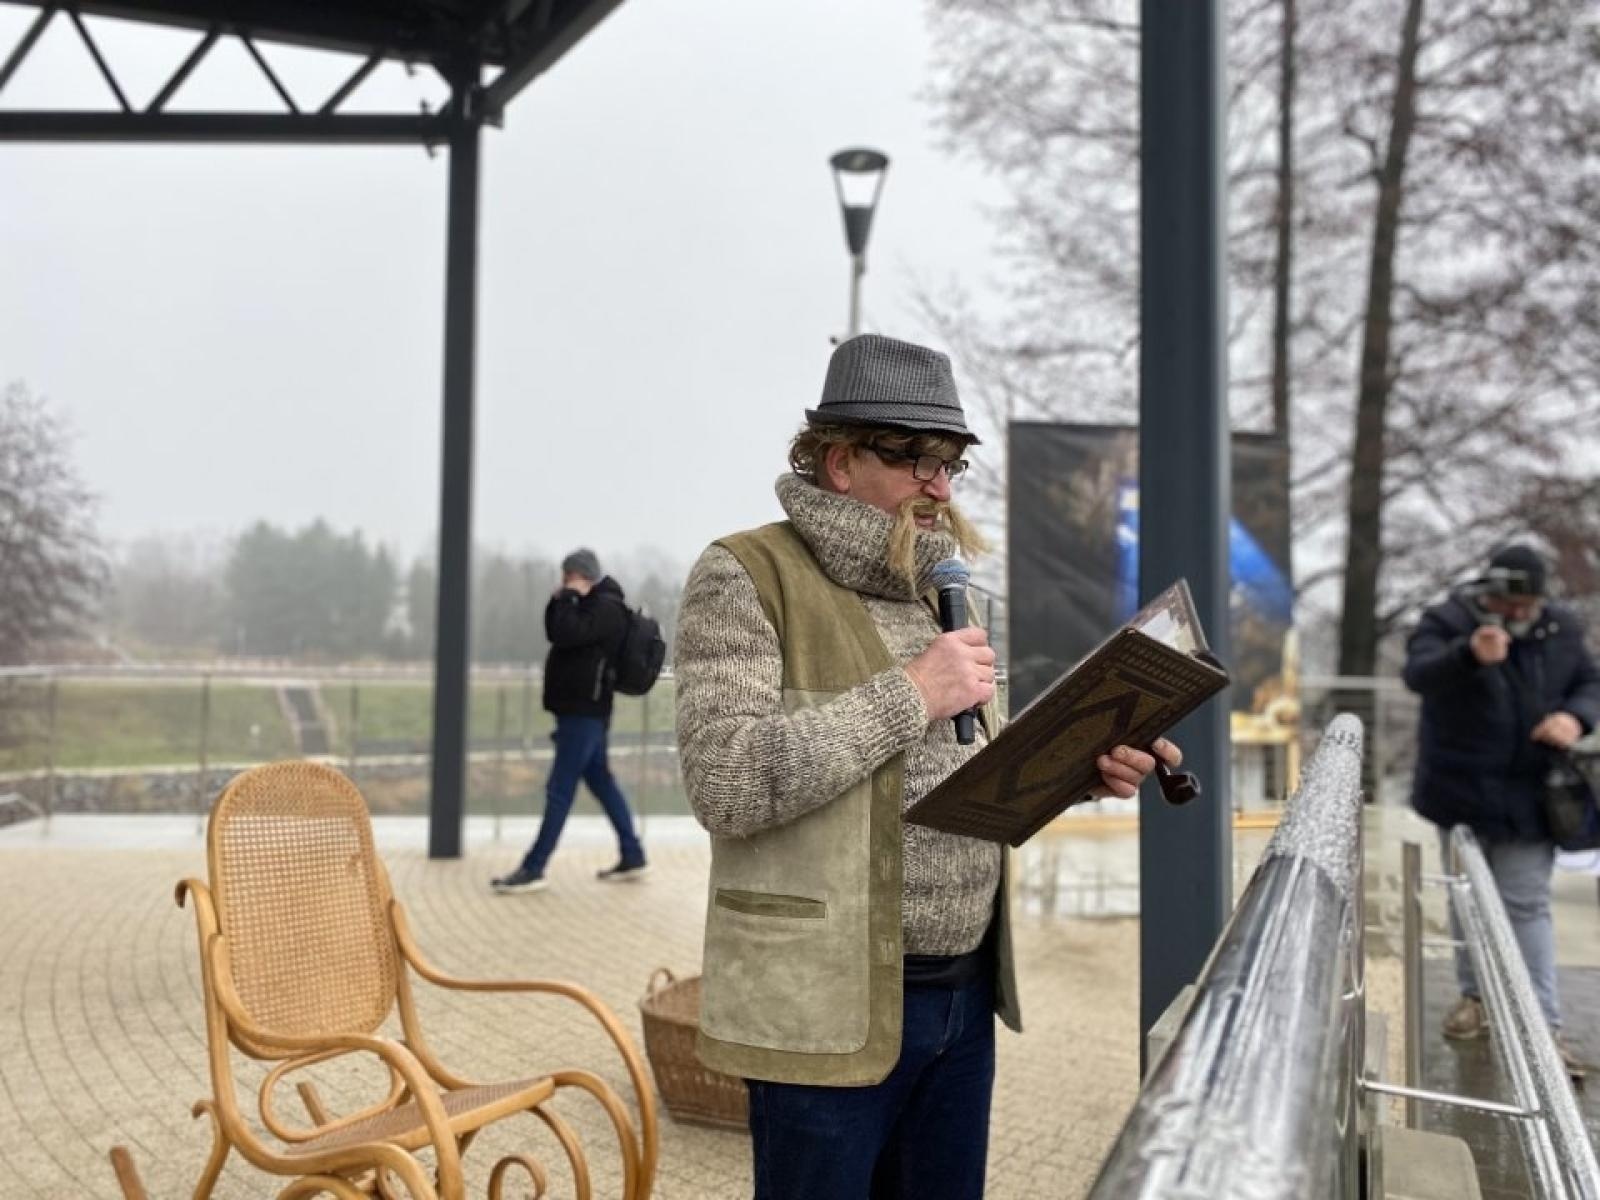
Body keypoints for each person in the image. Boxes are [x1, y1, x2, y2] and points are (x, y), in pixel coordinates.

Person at [672, 333, 1181, 1199]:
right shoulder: (745, 574)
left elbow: (964, 781)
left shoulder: (942, 592)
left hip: (963, 999)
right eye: (912, 457)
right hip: (824, 1005)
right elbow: (726, 783)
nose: (937, 487)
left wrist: (1075, 771)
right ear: (839, 461)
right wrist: (913, 690)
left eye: (950, 463)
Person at [1403, 543, 1600, 1075]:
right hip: (1461, 791)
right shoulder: (1448, 619)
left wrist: (1575, 719)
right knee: (1468, 899)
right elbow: (1417, 674)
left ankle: (1542, 1025)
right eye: (1507, 601)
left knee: (1526, 904)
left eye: (1525, 602)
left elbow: (1590, 682)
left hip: (1533, 793)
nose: (1515, 612)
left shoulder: (1560, 627)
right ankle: (1477, 997)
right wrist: (1468, 653)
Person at [492, 548, 648, 893]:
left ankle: (534, 867)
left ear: (583, 575)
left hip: (585, 713)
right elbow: (555, 631)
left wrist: (567, 600)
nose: (563, 583)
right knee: (601, 783)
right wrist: (561, 600)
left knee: (559, 791)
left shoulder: (607, 608)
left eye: (568, 577)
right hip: (579, 712)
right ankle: (633, 853)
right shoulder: (587, 605)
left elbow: (566, 633)